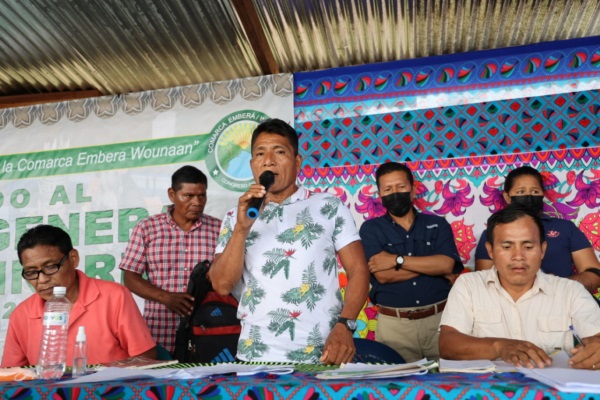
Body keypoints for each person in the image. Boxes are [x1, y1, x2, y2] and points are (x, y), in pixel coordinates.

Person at [208, 118, 369, 365]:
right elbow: (221, 285)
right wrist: (241, 228)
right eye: (260, 153)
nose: (268, 160)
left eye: (279, 152)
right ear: (252, 164)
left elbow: (358, 269)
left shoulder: (328, 206)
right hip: (254, 356)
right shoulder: (235, 217)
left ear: (297, 162)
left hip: (323, 354)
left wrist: (346, 325)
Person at [440, 204, 600, 369]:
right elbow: (447, 344)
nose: (518, 256)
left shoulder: (571, 291)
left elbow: (596, 336)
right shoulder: (468, 286)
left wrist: (596, 348)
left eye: (528, 247)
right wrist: (500, 347)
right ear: (490, 250)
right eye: (507, 247)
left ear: (542, 249)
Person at [1, 225, 156, 367]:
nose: (42, 280)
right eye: (31, 272)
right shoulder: (21, 315)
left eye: (50, 267)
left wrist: (95, 377)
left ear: (73, 259)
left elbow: (146, 358)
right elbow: (11, 375)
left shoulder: (114, 297)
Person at [358, 162, 463, 362]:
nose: (395, 193)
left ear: (413, 190)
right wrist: (432, 266)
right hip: (395, 327)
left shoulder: (437, 224)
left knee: (451, 378)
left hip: (442, 321)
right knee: (399, 381)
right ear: (380, 195)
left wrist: (396, 260)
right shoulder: (370, 229)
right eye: (388, 189)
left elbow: (446, 265)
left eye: (401, 187)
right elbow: (383, 275)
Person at [119, 165, 221, 354]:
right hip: (158, 332)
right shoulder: (147, 228)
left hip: (207, 332)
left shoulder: (219, 229)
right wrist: (166, 297)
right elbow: (130, 277)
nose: (197, 202)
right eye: (189, 196)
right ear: (172, 195)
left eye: (202, 196)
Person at [475, 166, 600, 294]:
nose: (529, 197)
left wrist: (557, 288)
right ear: (507, 197)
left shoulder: (565, 228)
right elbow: (484, 281)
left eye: (535, 191)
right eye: (520, 192)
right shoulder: (494, 232)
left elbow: (594, 272)